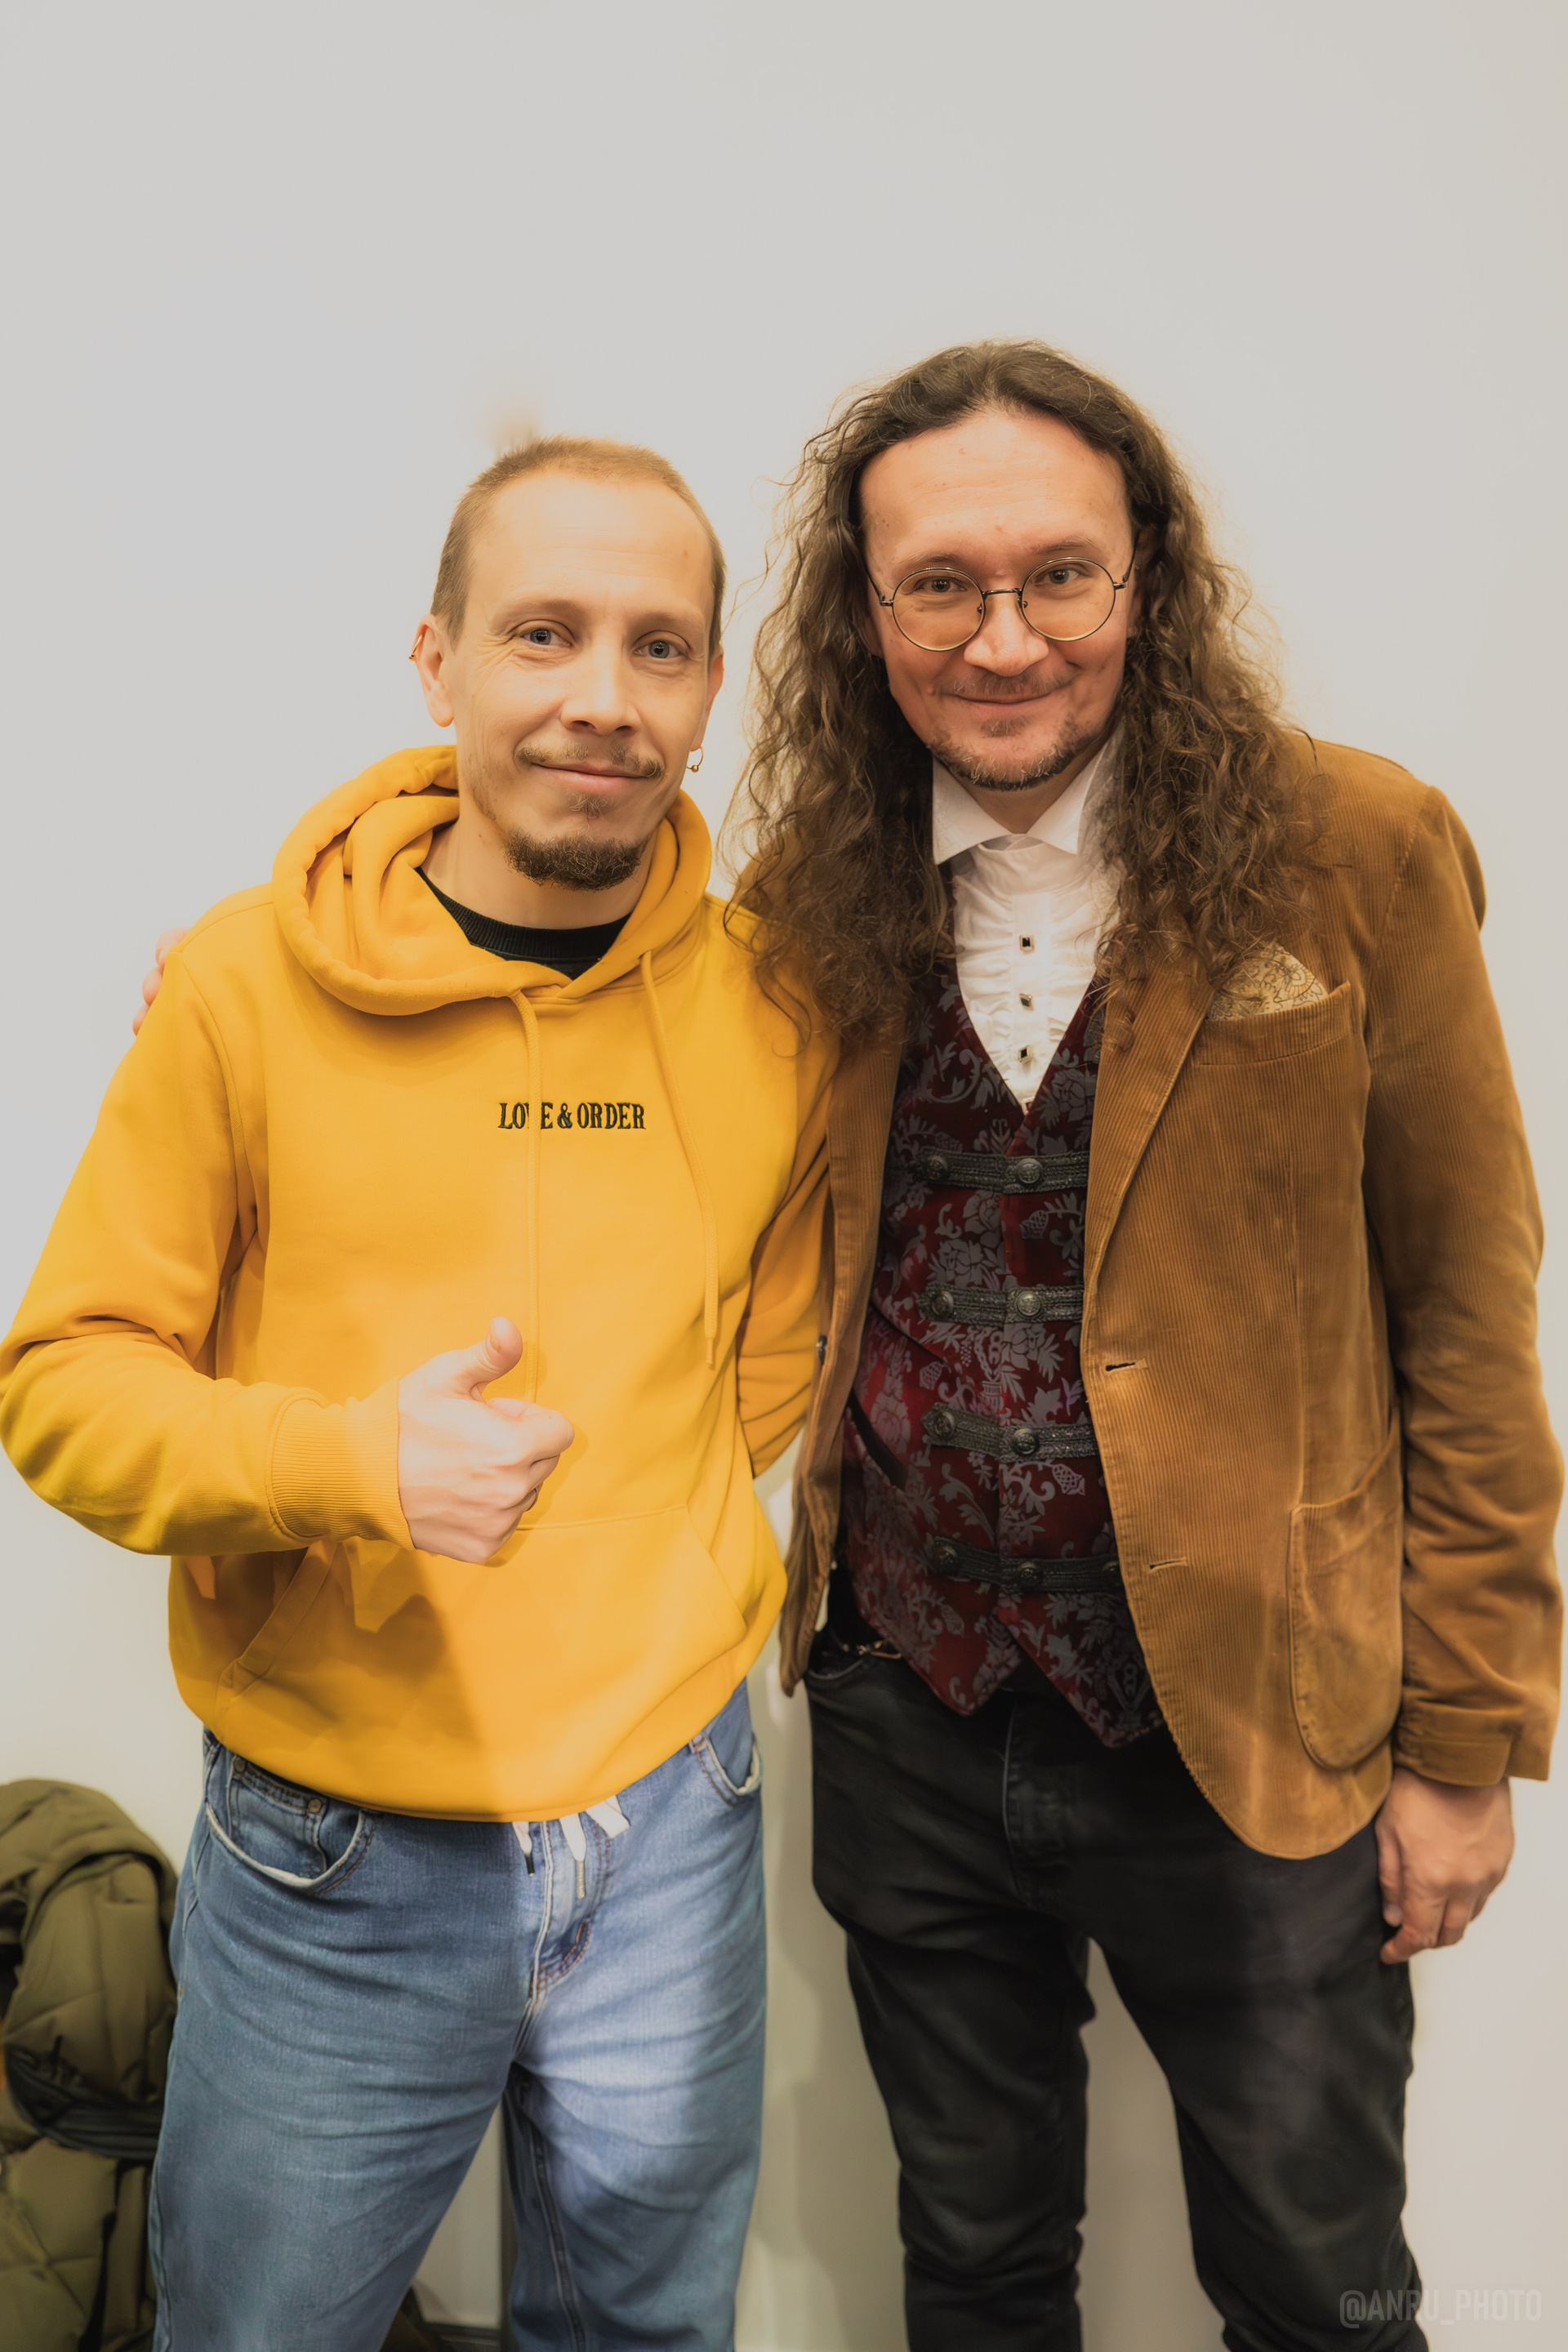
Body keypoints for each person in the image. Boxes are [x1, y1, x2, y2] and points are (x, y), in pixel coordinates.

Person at [733, 341, 1561, 2352]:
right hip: (911, 1716)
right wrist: (255, 947)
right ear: (866, 611)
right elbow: (549, 865)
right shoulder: (805, 890)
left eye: (1061, 576)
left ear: (1148, 580)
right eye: (941, 585)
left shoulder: (1359, 849)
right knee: (975, 2273)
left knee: (1320, 2292)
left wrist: (1466, 1744)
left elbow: (1469, 1312)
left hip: (1264, 1735)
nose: (1004, 639)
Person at [0, 435, 834, 2350]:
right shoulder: (241, 991)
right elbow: (63, 1386)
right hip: (340, 1855)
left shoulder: (777, 1001)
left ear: (712, 686)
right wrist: (353, 1463)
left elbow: (771, 1350)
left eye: (658, 646)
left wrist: (632, 1547)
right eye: (544, 633)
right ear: (436, 658)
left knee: (647, 2334)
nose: (603, 697)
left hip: (674, 1817)